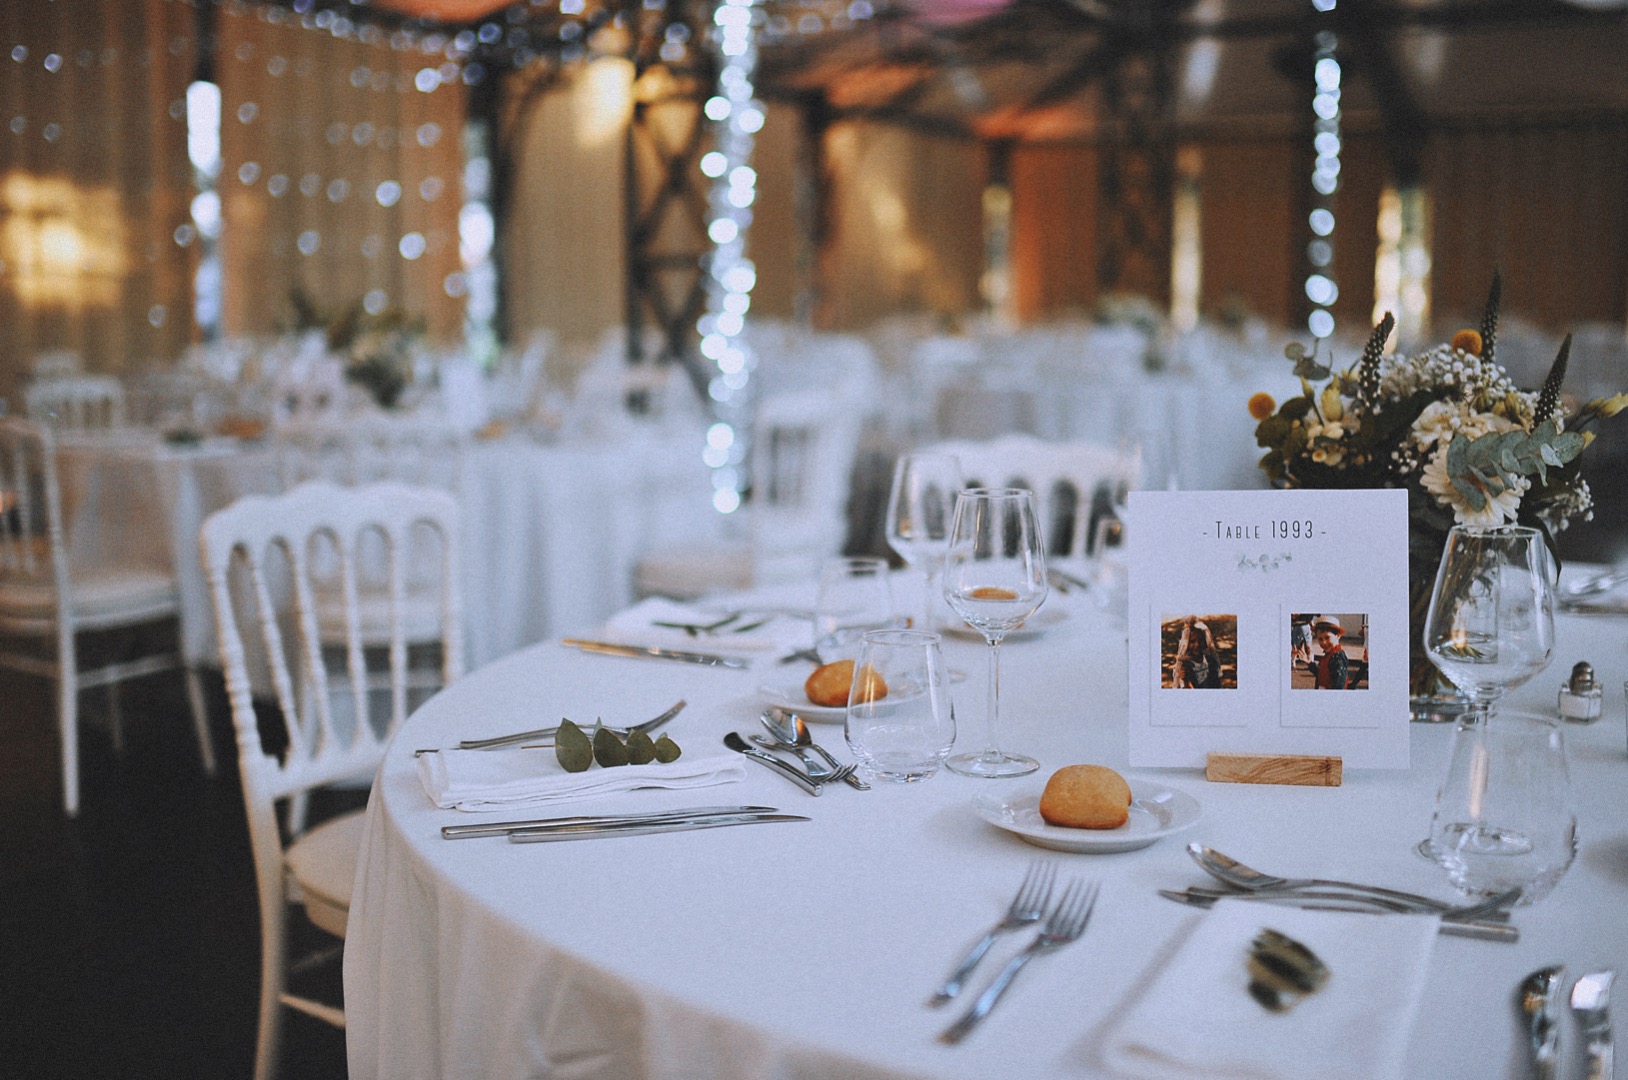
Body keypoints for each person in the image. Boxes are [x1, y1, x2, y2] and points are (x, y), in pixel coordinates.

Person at [1172, 617, 1222, 689]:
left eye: (1201, 640)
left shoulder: (1210, 661)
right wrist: (1186, 680)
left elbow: (1217, 683)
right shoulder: (1185, 665)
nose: (1197, 645)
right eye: (1192, 641)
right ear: (1186, 643)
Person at [1311, 616, 1350, 690]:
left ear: (1338, 636)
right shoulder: (1329, 655)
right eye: (1320, 639)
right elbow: (1322, 674)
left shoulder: (1338, 657)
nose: (1324, 642)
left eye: (1327, 637)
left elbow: (1339, 684)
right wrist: (1310, 663)